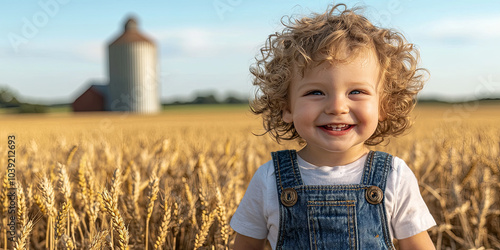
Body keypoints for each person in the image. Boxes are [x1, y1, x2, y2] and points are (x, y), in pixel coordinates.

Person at [230, 3, 436, 250]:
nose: (337, 107)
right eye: (315, 92)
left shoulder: (394, 176)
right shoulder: (269, 180)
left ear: (384, 105)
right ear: (286, 106)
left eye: (356, 91)